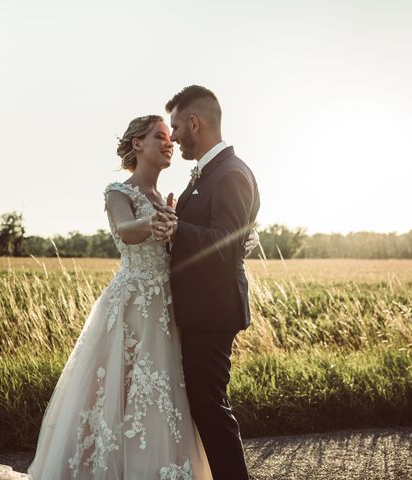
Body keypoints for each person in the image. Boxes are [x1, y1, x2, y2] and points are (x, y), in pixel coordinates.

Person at [0, 115, 213, 479]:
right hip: (131, 306)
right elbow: (124, 229)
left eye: (171, 137)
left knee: (156, 396)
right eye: (160, 136)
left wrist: (174, 228)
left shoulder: (167, 199)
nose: (170, 143)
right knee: (115, 396)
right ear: (138, 144)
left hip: (165, 309)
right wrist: (151, 225)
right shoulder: (119, 192)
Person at [154, 85, 260, 480]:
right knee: (204, 404)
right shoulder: (210, 174)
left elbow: (225, 246)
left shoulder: (230, 174)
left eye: (178, 126)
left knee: (210, 406)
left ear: (195, 123)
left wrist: (178, 227)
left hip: (213, 311)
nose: (175, 135)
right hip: (202, 308)